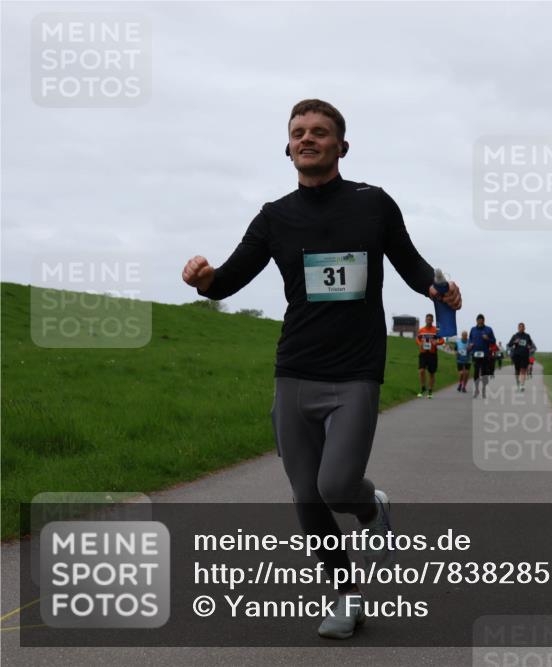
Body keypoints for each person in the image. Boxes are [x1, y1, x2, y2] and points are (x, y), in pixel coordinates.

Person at [180, 99, 461, 640]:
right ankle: (345, 596)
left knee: (336, 486)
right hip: (296, 368)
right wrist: (203, 278)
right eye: (298, 132)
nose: (307, 138)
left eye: (320, 131)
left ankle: (368, 500)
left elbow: (411, 262)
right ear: (288, 147)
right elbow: (229, 280)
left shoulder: (372, 204)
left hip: (356, 370)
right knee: (306, 495)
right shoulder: (274, 216)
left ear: (341, 146)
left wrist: (436, 285)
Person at [467, 313, 496, 399]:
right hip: (475, 354)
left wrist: (488, 339)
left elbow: (493, 341)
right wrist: (470, 346)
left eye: (481, 320)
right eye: (478, 320)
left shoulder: (488, 329)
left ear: (484, 321)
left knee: (484, 373)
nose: (480, 321)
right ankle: (476, 390)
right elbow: (470, 340)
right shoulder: (473, 329)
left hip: (485, 354)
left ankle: (483, 389)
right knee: (476, 372)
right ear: (476, 321)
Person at [416, 313, 444, 398]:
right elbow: (417, 339)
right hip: (423, 353)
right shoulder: (421, 330)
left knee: (431, 373)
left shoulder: (436, 330)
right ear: (425, 320)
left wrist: (437, 342)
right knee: (421, 371)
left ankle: (430, 391)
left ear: (432, 320)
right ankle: (423, 387)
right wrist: (420, 343)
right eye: (427, 319)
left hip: (432, 354)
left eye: (430, 319)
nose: (429, 321)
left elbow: (442, 340)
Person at [507, 322, 536, 391]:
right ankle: (518, 383)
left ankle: (522, 385)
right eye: (520, 327)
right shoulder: (515, 336)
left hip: (524, 356)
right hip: (516, 355)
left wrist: (529, 346)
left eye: (522, 327)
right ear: (518, 328)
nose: (521, 328)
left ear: (524, 328)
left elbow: (531, 344)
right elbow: (509, 345)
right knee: (517, 371)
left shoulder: (527, 336)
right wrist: (515, 342)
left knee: (523, 370)